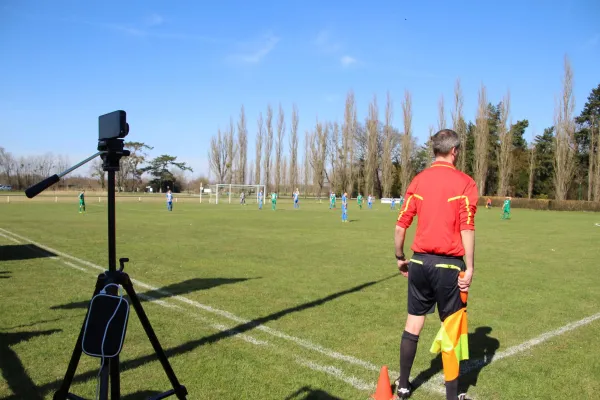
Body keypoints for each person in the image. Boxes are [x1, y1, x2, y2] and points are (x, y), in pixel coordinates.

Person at [394, 129, 478, 400]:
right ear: (454, 151)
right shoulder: (465, 183)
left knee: (413, 324)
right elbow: (467, 226)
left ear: (434, 150)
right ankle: (452, 397)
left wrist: (399, 256)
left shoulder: (418, 180)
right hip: (448, 266)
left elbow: (401, 225)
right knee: (451, 330)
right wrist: (471, 266)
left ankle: (404, 385)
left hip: (418, 261)